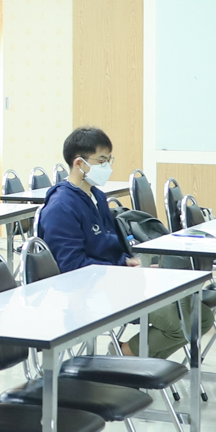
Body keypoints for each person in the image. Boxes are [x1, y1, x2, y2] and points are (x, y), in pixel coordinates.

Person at [37, 127, 193, 355]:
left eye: (109, 160)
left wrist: (129, 262)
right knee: (179, 326)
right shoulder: (61, 207)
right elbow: (71, 267)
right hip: (86, 292)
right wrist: (122, 271)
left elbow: (110, 243)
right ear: (79, 163)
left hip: (115, 281)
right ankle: (122, 356)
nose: (107, 167)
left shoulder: (97, 196)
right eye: (101, 160)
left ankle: (129, 359)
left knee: (200, 316)